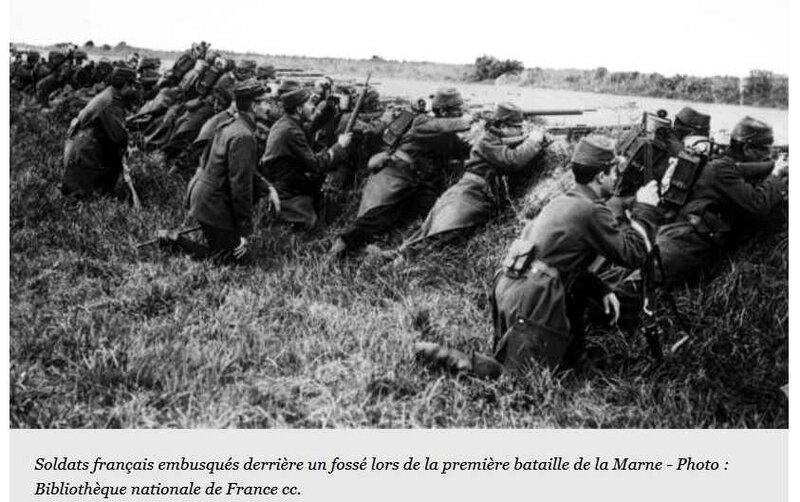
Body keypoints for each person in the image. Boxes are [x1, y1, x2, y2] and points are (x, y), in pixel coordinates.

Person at [416, 135, 661, 375]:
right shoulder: (591, 210)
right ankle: (446, 357)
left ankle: (574, 360)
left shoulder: (563, 201)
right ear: (600, 176)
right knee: (515, 379)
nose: (617, 178)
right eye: (614, 172)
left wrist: (600, 288)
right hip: (534, 299)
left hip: (515, 289)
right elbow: (634, 254)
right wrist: (646, 208)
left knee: (544, 367)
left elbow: (560, 262)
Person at [329, 87, 472, 257]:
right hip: (396, 175)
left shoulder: (447, 134)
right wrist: (469, 119)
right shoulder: (422, 121)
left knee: (434, 216)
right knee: (380, 215)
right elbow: (454, 125)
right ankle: (342, 244)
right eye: (457, 109)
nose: (460, 112)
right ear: (442, 110)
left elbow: (465, 150)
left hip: (417, 184)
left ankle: (402, 251)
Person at [393, 102, 550, 257]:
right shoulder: (487, 141)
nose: (520, 130)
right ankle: (401, 258)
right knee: (444, 231)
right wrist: (533, 141)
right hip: (468, 193)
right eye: (517, 127)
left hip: (476, 194)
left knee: (444, 230)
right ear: (502, 126)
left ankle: (402, 255)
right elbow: (513, 160)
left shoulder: (496, 141)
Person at [654, 116, 787, 285]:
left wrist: (771, 166)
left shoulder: (718, 161)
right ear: (747, 148)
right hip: (683, 247)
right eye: (765, 150)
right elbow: (758, 204)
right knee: (630, 291)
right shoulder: (722, 170)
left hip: (680, 238)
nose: (768, 155)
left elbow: (742, 172)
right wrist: (777, 174)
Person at [183, 80, 273, 263]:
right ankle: (174, 243)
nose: (269, 107)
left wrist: (268, 188)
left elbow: (208, 161)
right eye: (265, 102)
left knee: (230, 252)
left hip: (203, 198)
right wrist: (244, 231)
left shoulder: (230, 125)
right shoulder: (244, 136)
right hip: (211, 205)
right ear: (254, 107)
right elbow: (241, 187)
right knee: (237, 261)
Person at [260, 87, 352, 230]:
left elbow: (312, 126)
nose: (314, 107)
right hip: (286, 191)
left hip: (285, 182)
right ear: (299, 110)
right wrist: (339, 146)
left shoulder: (286, 123)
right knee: (314, 227)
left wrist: (331, 108)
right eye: (310, 104)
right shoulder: (291, 131)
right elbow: (317, 165)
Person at [61, 66, 139, 199]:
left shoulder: (108, 94)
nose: (134, 90)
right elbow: (119, 137)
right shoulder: (110, 102)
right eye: (132, 86)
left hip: (82, 149)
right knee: (80, 201)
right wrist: (129, 147)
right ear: (125, 85)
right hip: (85, 154)